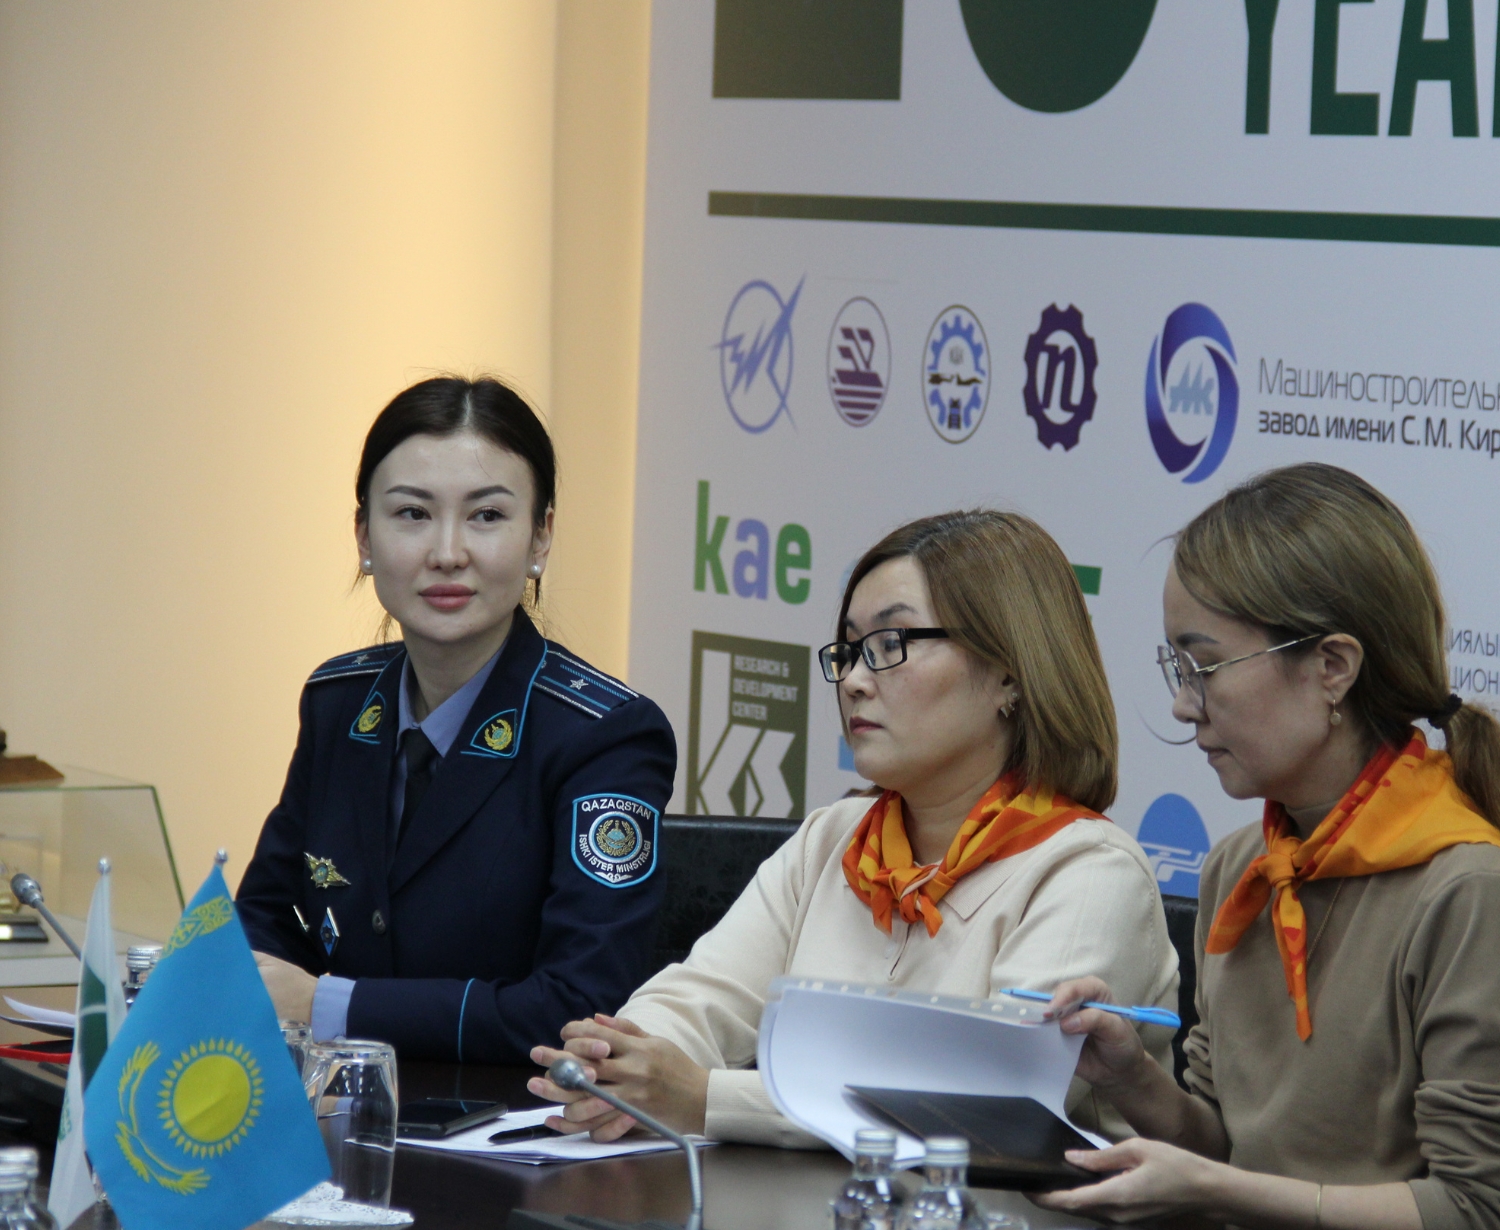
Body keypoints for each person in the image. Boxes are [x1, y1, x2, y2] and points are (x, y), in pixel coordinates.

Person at [1036, 463, 1500, 1230]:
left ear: (1332, 668)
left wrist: (1216, 1189)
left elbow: (1486, 1214)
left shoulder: (1470, 891)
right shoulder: (1241, 868)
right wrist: (1133, 1078)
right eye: (1177, 668)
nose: (1183, 704)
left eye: (1204, 667)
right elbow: (1229, 1146)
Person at [527, 510, 1179, 1146]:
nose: (855, 681)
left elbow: (985, 1104)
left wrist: (703, 1097)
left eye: (891, 646)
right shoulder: (833, 838)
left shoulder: (1089, 873)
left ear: (1009, 670)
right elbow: (705, 994)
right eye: (849, 650)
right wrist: (620, 1062)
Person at [237, 376, 676, 1065]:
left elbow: (580, 1005)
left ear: (541, 537)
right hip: (329, 1107)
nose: (447, 551)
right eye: (412, 513)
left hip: (512, 1119)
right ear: (363, 536)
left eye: (486, 516)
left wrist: (329, 1006)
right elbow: (263, 922)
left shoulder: (604, 736)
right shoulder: (337, 700)